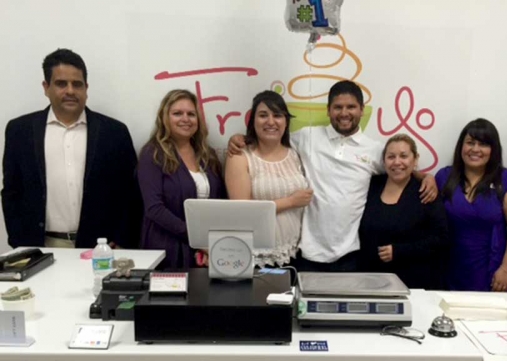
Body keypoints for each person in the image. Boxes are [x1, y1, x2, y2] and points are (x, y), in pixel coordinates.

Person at [228, 80, 437, 272]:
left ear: (362, 110)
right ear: (328, 111)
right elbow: (271, 139)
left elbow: (398, 167)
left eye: (351, 107)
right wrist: (239, 138)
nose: (344, 113)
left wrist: (424, 176)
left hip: (350, 255)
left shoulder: (374, 150)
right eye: (338, 107)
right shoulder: (307, 137)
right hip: (307, 254)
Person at [1, 48, 140, 249]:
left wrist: (122, 240)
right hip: (40, 247)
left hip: (100, 250)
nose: (70, 91)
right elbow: (12, 192)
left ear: (86, 88)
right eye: (61, 84)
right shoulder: (20, 131)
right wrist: (19, 241)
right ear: (46, 87)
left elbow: (131, 193)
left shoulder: (114, 132)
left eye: (77, 84)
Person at [137, 89, 225, 269]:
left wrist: (210, 244)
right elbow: (154, 209)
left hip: (205, 251)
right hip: (166, 250)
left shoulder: (208, 155)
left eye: (191, 114)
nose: (185, 119)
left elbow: (220, 202)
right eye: (177, 113)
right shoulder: (152, 154)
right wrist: (198, 239)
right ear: (165, 117)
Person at [435, 119, 507, 292]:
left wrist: (506, 269)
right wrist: (423, 176)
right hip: (449, 269)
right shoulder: (444, 177)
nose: (475, 149)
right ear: (461, 146)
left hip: (492, 271)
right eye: (470, 143)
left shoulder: (504, 179)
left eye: (483, 144)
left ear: (493, 149)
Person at [224, 90, 310, 267]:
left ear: (286, 122)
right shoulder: (240, 156)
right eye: (263, 115)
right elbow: (243, 211)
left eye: (277, 115)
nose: (271, 122)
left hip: (295, 253)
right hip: (257, 257)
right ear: (253, 121)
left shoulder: (295, 154)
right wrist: (291, 201)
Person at [359, 134, 449, 289]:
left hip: (414, 283)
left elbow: (441, 238)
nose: (397, 162)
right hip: (371, 281)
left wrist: (400, 251)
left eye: (404, 156)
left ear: (415, 160)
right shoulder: (371, 186)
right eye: (391, 157)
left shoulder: (425, 191)